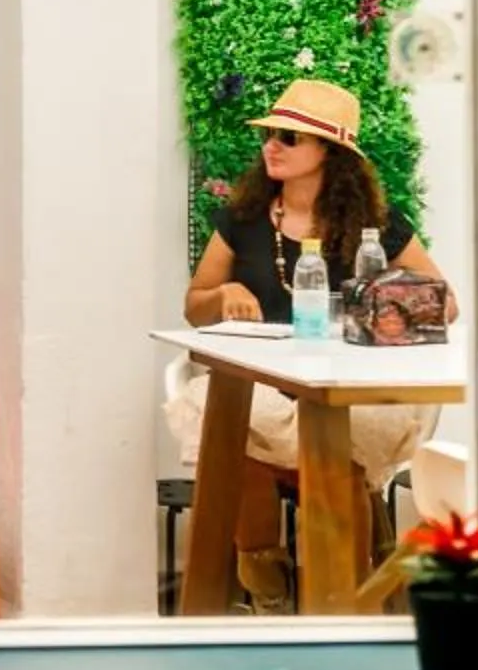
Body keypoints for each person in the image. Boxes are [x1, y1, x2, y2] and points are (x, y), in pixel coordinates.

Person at [171, 77, 461, 609]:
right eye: (270, 135)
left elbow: (447, 304)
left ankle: (342, 604)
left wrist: (379, 304)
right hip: (261, 382)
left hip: (345, 384)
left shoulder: (375, 227)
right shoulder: (243, 220)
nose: (271, 147)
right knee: (241, 442)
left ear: (329, 153)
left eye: (288, 137)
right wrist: (225, 294)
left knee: (323, 456)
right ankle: (277, 598)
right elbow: (194, 304)